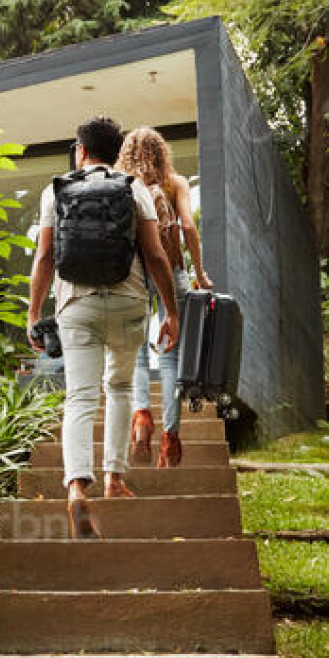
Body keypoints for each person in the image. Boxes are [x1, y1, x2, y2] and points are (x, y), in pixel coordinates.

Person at [27, 116, 181, 536]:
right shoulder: (133, 189)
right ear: (117, 153)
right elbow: (155, 256)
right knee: (119, 388)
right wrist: (171, 312)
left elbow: (43, 259)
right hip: (129, 303)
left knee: (80, 397)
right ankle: (114, 479)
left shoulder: (55, 189)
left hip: (76, 305)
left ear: (80, 150)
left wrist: (34, 312)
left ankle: (77, 487)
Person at [116, 127, 212, 468]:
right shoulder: (175, 183)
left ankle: (141, 417)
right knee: (172, 357)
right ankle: (170, 438)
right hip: (171, 271)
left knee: (138, 354)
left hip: (133, 275)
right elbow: (188, 227)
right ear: (162, 153)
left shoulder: (120, 184)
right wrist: (199, 274)